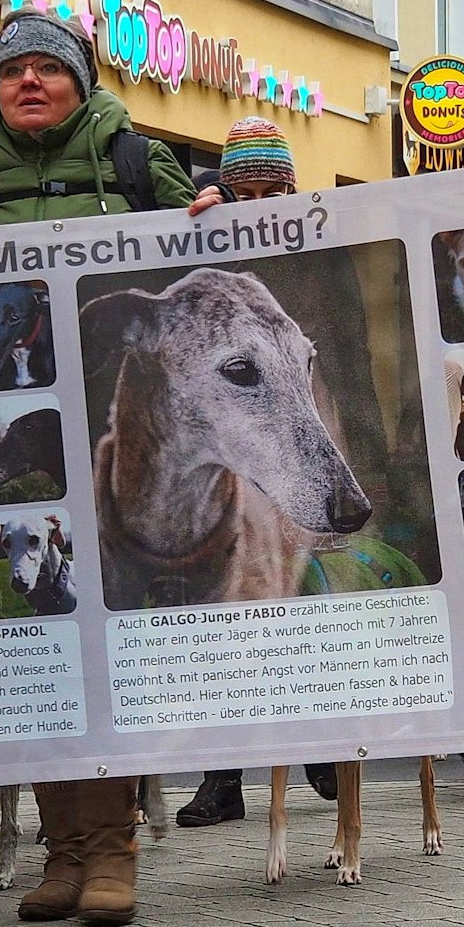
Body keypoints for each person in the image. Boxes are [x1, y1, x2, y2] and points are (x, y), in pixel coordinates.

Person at [0, 7, 194, 924]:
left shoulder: (134, 162)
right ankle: (63, 850)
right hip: (17, 440)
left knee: (96, 643)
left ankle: (113, 848)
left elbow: (205, 258)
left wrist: (220, 214)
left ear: (81, 80)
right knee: (25, 650)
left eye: (48, 67)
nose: (29, 81)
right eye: (12, 71)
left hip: (108, 440)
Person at [174, 117, 339, 828]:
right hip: (230, 442)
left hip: (296, 428)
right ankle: (224, 774)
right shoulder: (204, 239)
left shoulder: (321, 233)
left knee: (297, 598)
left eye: (273, 189)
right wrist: (200, 222)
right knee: (225, 610)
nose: (259, 203)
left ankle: (320, 743)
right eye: (243, 189)